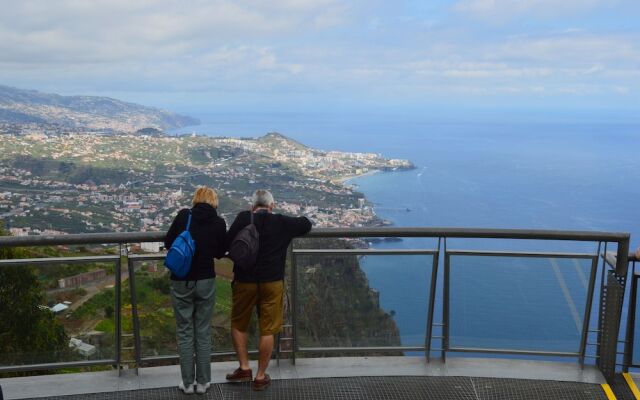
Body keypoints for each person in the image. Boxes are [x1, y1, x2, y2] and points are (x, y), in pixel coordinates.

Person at [225, 189, 312, 391]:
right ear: (271, 206)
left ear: (252, 206)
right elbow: (306, 224)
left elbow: (229, 242)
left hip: (244, 280)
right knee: (268, 329)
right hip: (272, 282)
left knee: (239, 324)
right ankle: (260, 376)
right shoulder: (281, 222)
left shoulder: (243, 218)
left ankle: (244, 368)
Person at [164, 186, 226, 395]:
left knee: (184, 331)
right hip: (206, 280)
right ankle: (203, 383)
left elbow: (167, 242)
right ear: (214, 201)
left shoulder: (184, 216)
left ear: (196, 199)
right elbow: (219, 252)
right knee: (203, 331)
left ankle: (187, 384)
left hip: (181, 280)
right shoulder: (218, 222)